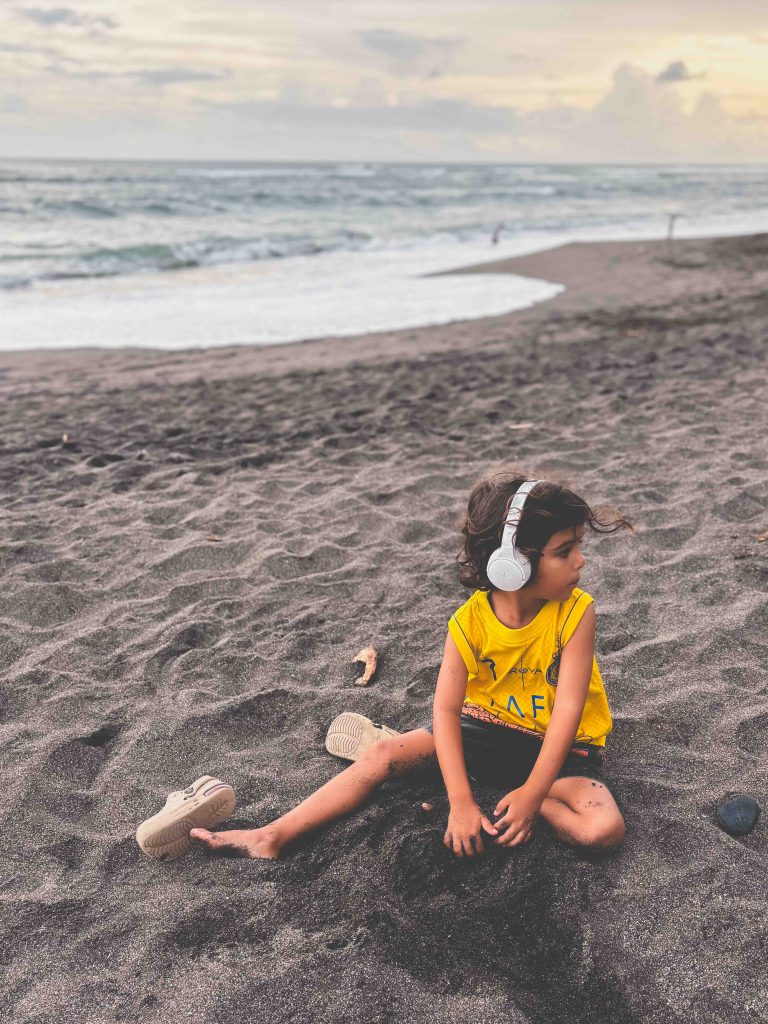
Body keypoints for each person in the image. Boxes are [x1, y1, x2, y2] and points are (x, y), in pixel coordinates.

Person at [191, 470, 633, 860]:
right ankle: (271, 836)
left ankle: (496, 794)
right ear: (512, 564)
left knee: (603, 830)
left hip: (560, 753)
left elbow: (568, 710)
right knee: (381, 754)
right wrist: (460, 804)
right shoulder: (468, 622)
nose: (580, 561)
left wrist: (534, 796)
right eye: (565, 550)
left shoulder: (576, 612)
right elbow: (445, 710)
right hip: (483, 732)